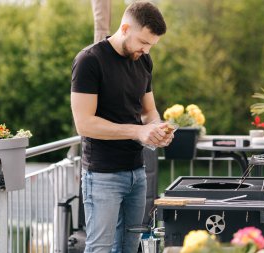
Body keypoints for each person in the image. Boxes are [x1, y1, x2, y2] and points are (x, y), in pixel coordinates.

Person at [70, 1, 172, 252]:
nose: (146, 51)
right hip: (102, 175)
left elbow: (149, 111)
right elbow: (84, 124)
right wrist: (138, 131)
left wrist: (157, 130)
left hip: (137, 173)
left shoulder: (144, 62)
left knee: (130, 247)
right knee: (100, 248)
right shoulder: (89, 60)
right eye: (143, 43)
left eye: (151, 45)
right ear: (125, 28)